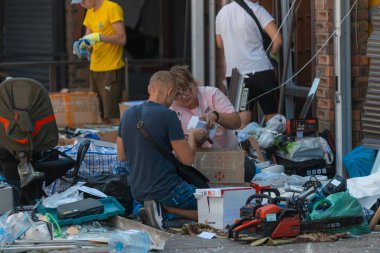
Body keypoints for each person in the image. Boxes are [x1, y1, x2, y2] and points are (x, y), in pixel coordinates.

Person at [117, 71, 208, 229]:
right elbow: (187, 159)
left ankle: (158, 209)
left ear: (149, 89)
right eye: (174, 95)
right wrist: (192, 136)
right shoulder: (168, 116)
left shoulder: (127, 114)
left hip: (138, 191)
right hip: (169, 189)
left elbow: (121, 155)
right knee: (216, 206)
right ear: (170, 90)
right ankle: (167, 209)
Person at [216, 0, 283, 128]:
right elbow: (278, 40)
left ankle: (245, 148)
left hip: (236, 75)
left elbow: (219, 43)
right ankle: (274, 146)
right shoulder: (258, 10)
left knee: (241, 123)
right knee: (273, 120)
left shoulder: (221, 13)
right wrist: (273, 57)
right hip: (261, 71)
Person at [72, 0, 126, 123]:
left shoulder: (112, 8)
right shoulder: (90, 11)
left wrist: (100, 37)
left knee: (112, 115)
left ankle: (117, 141)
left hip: (112, 67)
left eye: (83, 1)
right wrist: (81, 45)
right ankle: (104, 141)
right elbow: (88, 39)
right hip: (95, 68)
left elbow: (122, 38)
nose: (81, 5)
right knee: (99, 115)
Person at [169, 65, 241, 149]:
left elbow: (237, 122)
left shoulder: (212, 93)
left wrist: (216, 116)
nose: (184, 96)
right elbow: (179, 149)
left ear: (193, 83)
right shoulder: (172, 111)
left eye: (185, 89)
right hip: (198, 158)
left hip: (229, 150)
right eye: (177, 94)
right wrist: (194, 140)